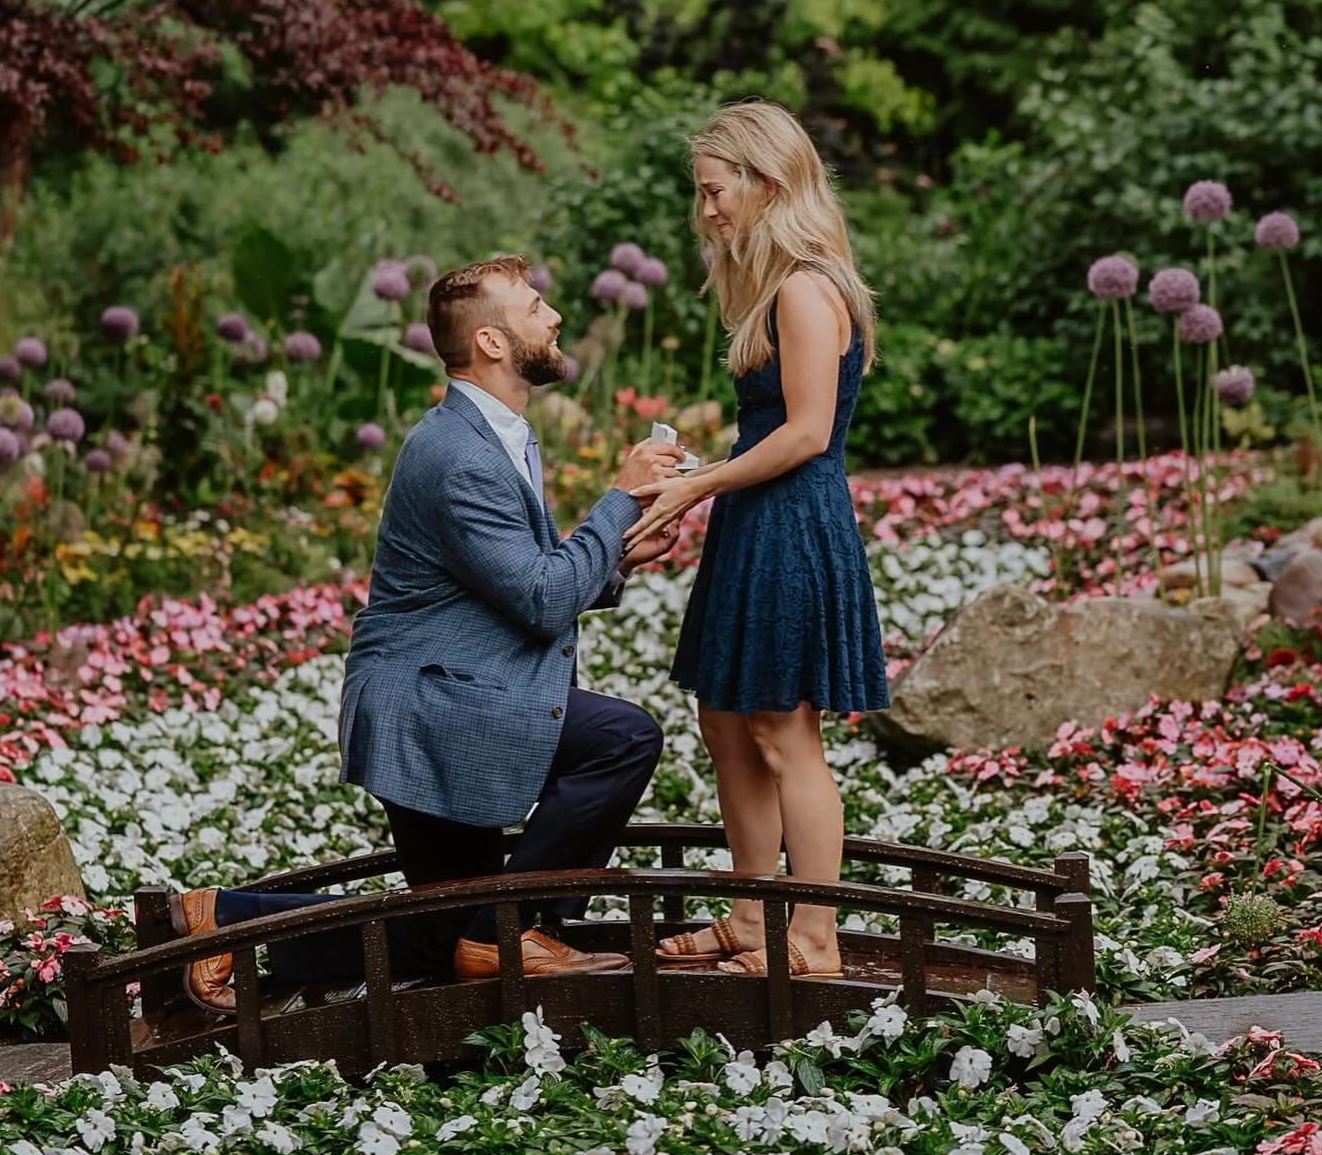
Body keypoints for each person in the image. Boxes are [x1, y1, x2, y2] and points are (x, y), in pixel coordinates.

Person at [173, 255, 684, 1012]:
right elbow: (543, 599)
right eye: (535, 306)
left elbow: (516, 578)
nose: (555, 317)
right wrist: (616, 500)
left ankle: (228, 921)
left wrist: (617, 558)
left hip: (447, 692)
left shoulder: (495, 434)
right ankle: (515, 929)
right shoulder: (457, 454)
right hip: (433, 703)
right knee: (622, 739)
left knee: (448, 934)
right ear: (491, 342)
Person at [628, 101, 888, 980]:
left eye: (716, 191)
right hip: (754, 520)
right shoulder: (771, 290)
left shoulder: (806, 288)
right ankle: (749, 914)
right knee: (726, 721)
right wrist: (700, 477)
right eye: (701, 193)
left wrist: (698, 484)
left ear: (768, 183)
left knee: (783, 730)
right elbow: (772, 429)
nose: (705, 210)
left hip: (793, 524)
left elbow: (808, 432)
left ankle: (814, 937)